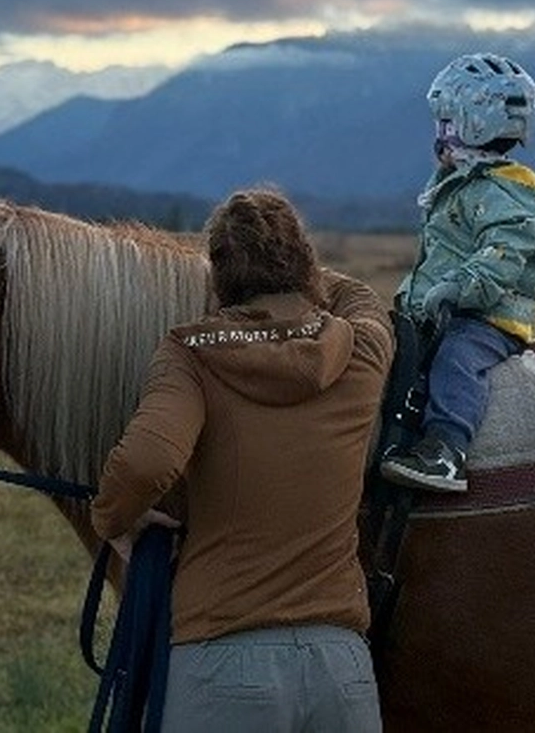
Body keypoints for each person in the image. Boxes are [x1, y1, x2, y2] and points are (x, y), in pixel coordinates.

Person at [90, 188, 392, 732]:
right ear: (302, 263)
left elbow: (146, 462)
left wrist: (114, 518)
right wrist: (302, 279)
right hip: (342, 667)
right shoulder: (362, 350)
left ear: (220, 275)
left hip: (224, 662)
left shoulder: (191, 355)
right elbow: (363, 299)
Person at [379, 53, 535, 493]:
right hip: (444, 310)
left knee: (455, 361)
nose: (437, 132)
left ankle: (446, 449)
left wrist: (458, 289)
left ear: (472, 122)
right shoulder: (466, 180)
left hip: (486, 320)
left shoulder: (510, 192)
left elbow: (504, 253)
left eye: (444, 121)